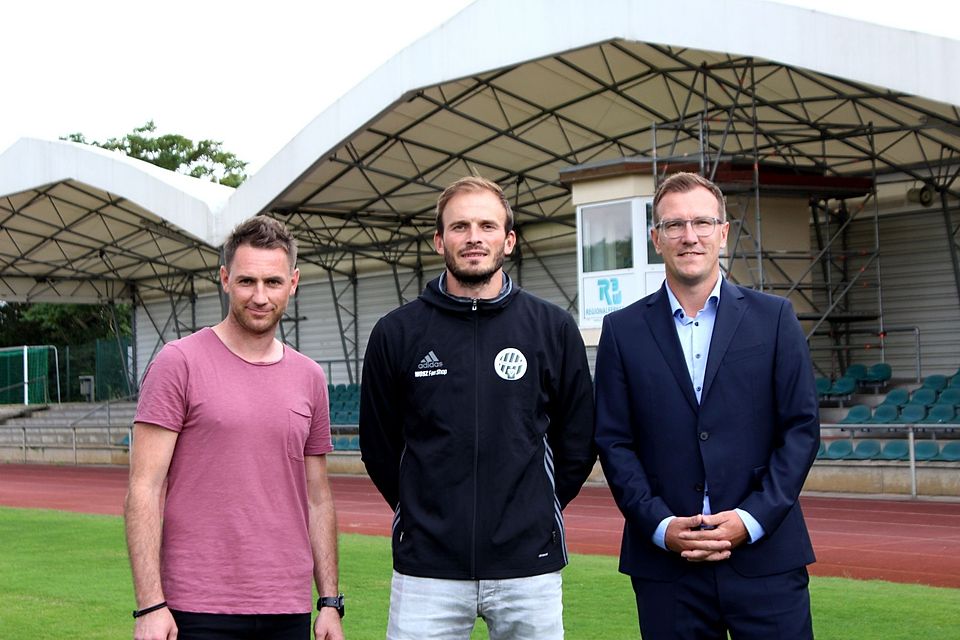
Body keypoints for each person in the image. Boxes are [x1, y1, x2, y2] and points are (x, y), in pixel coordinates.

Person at [359, 175, 596, 640]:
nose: (473, 238)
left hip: (528, 567)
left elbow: (578, 440)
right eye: (460, 226)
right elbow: (379, 446)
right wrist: (424, 515)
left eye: (487, 226)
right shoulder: (397, 332)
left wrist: (534, 511)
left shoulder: (551, 327)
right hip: (427, 567)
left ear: (507, 240)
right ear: (439, 239)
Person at [594, 172, 820, 639]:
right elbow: (614, 441)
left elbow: (800, 429)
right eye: (674, 225)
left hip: (767, 559)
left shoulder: (775, 318)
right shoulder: (622, 332)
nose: (689, 236)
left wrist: (749, 519)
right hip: (666, 569)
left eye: (701, 222)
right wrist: (659, 524)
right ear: (656, 239)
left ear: (723, 232)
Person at [124, 216, 345, 640]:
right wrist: (150, 605)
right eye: (246, 281)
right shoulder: (178, 362)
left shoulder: (310, 377)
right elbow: (144, 488)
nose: (260, 296)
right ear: (225, 279)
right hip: (197, 605)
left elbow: (318, 498)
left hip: (288, 606)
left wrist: (330, 601)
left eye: (273, 282)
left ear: (293, 282)